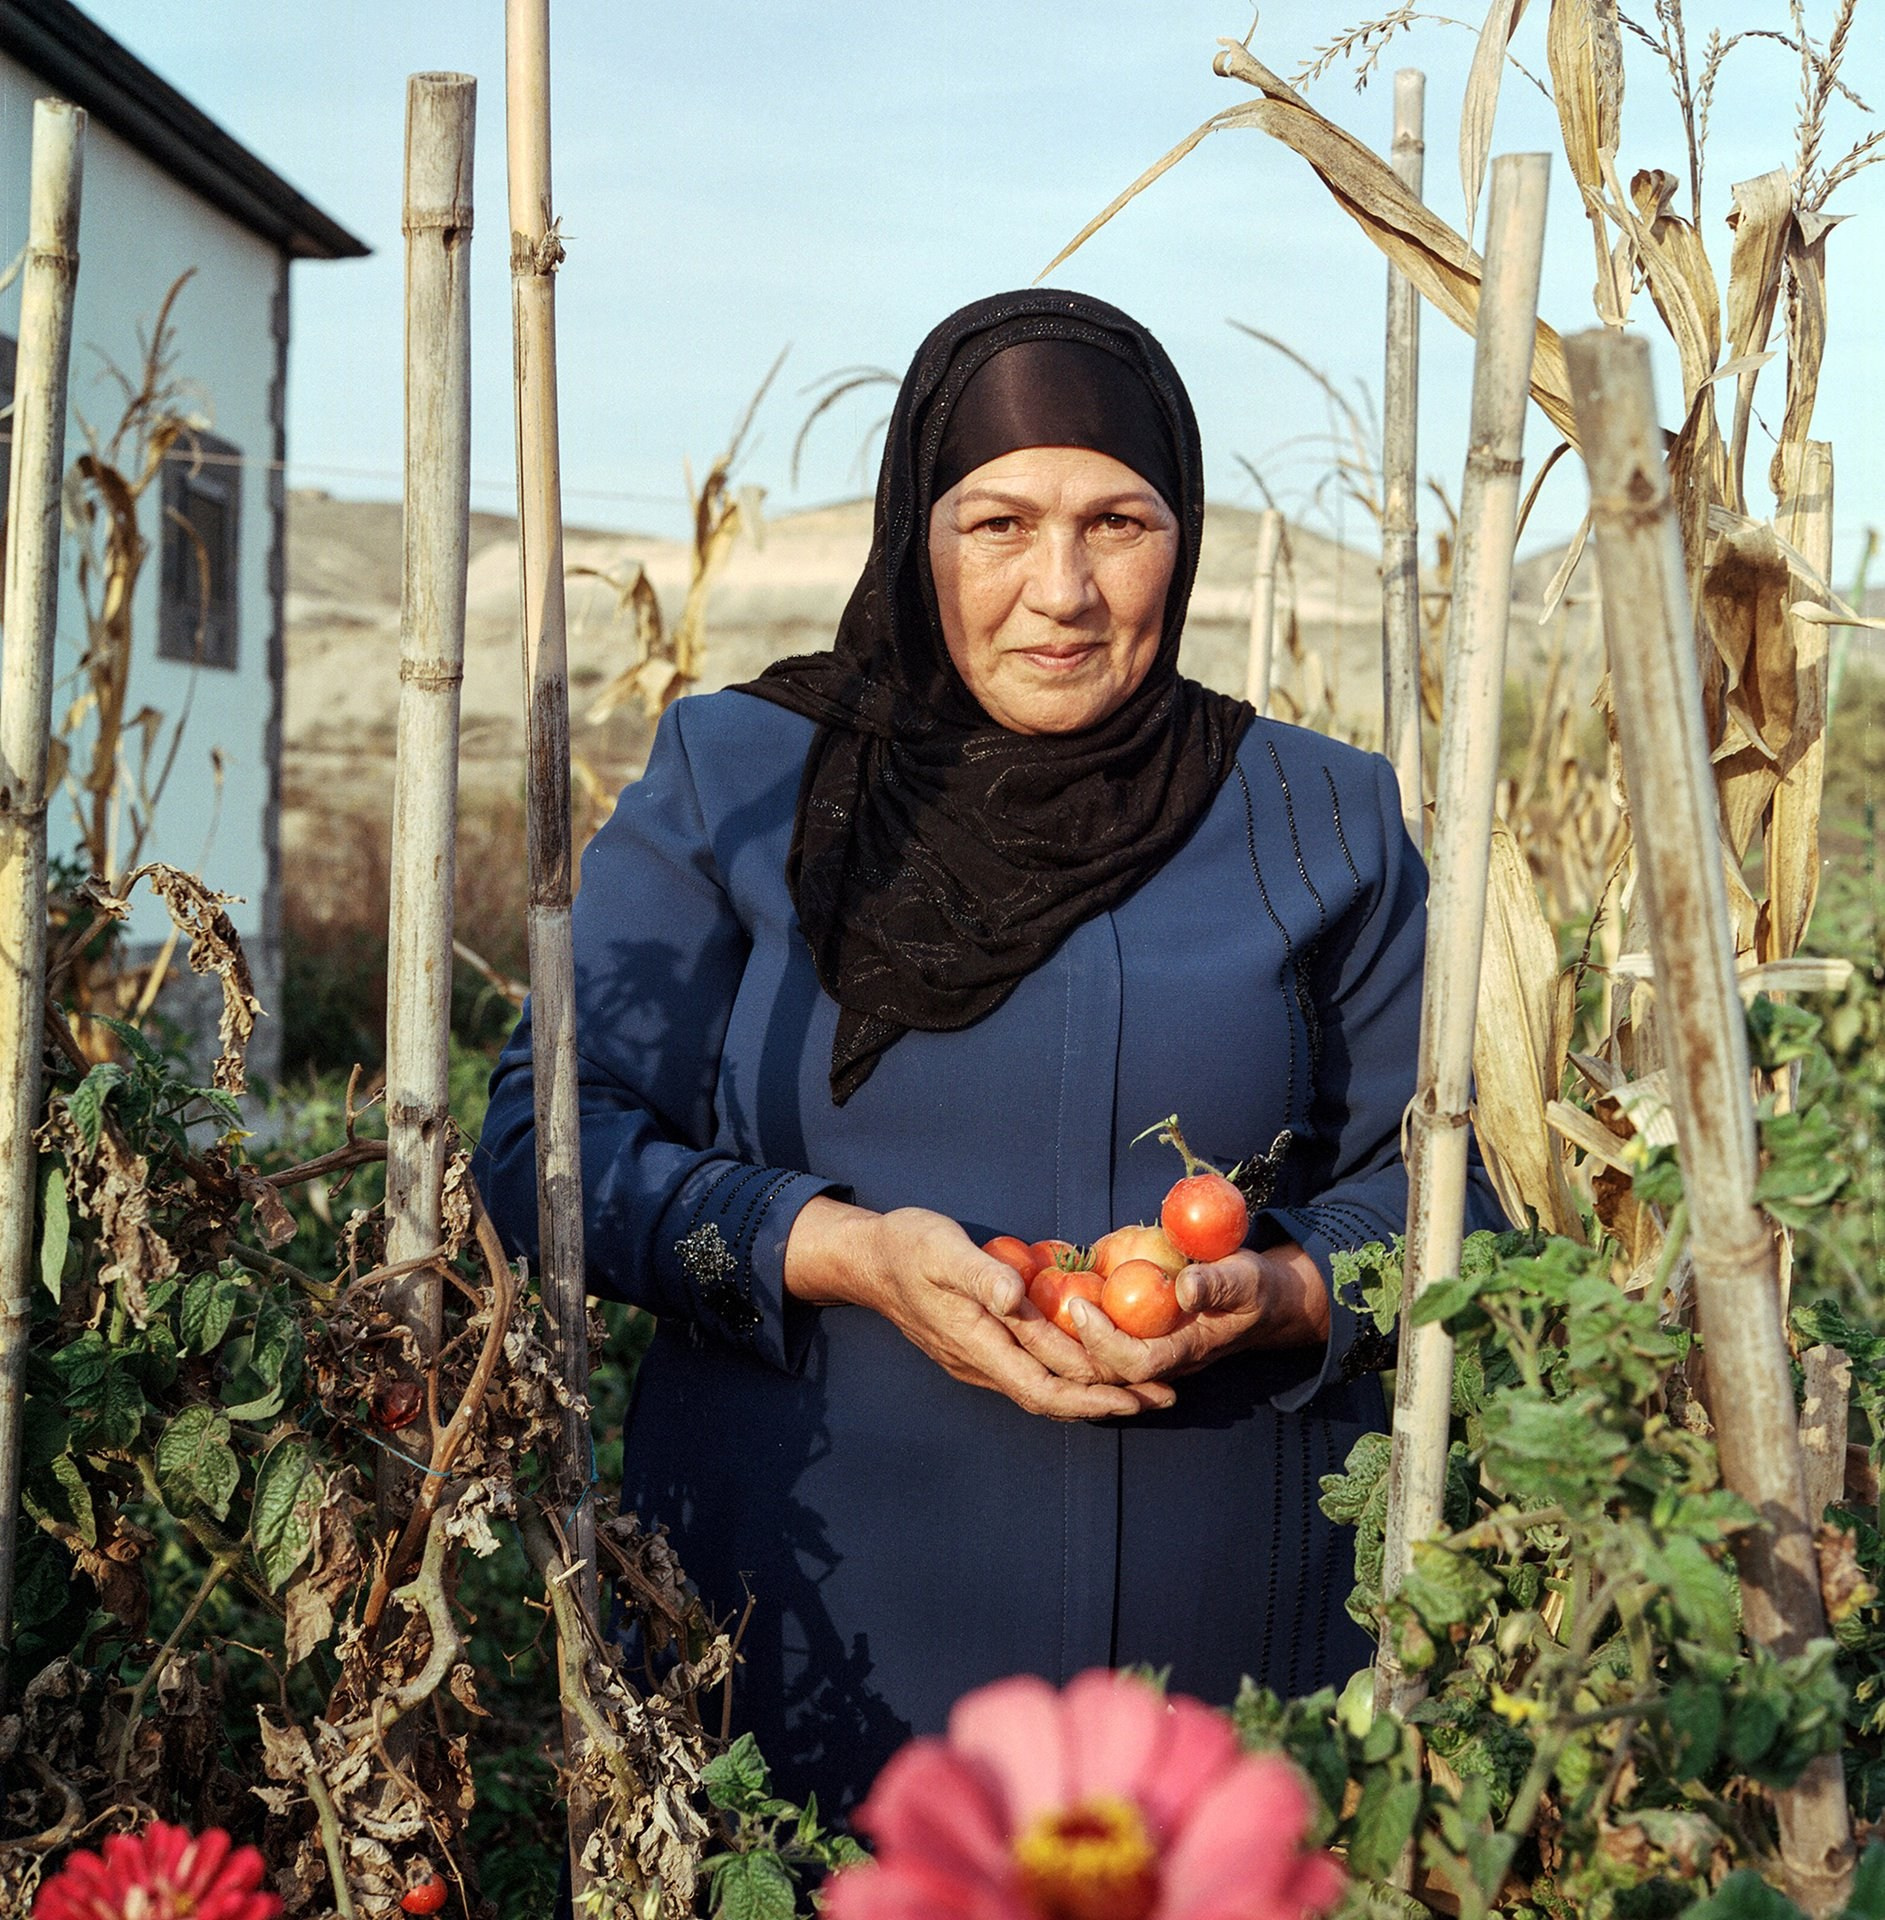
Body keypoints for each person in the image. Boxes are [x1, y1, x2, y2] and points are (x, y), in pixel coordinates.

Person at [474, 287, 1501, 1816]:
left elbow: (1441, 1206)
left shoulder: (1318, 816)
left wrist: (1275, 1291)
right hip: (808, 1611)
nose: (1064, 590)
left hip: (1218, 1642)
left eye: (1120, 522)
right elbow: (543, 1153)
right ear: (916, 530)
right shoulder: (741, 783)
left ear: (1186, 534)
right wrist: (835, 1250)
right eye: (1000, 524)